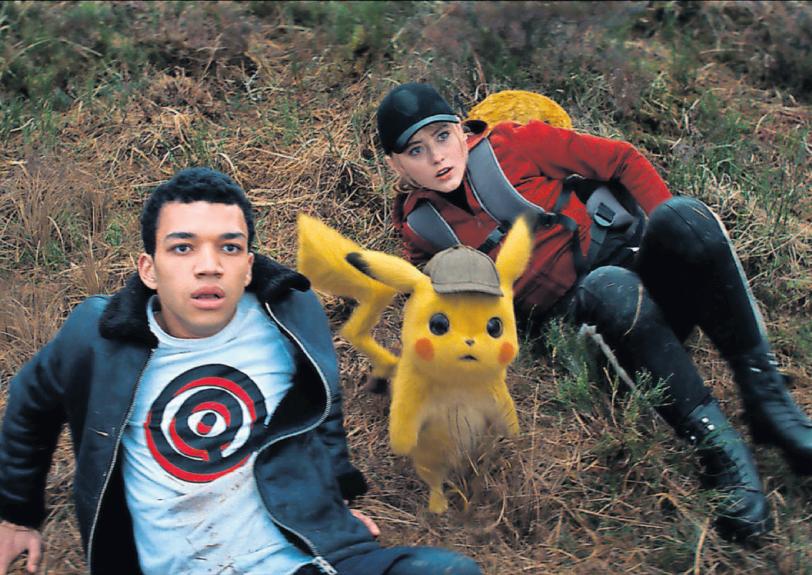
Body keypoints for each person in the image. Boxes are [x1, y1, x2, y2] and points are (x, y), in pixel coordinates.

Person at [375, 82, 812, 541]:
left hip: (642, 276)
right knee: (608, 288)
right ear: (395, 164)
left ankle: (770, 404)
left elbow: (622, 159)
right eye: (416, 150)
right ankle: (720, 450)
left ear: (461, 130)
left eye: (443, 136)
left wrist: (672, 239)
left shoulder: (514, 145)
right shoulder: (421, 229)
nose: (437, 157)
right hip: (585, 334)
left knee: (684, 217)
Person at [0, 167, 482, 575]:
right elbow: (30, 402)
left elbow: (323, 405)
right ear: (148, 269)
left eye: (229, 248)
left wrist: (334, 498)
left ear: (249, 266)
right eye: (183, 248)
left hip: (302, 560)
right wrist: (17, 514)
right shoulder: (100, 335)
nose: (209, 267)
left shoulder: (289, 313)